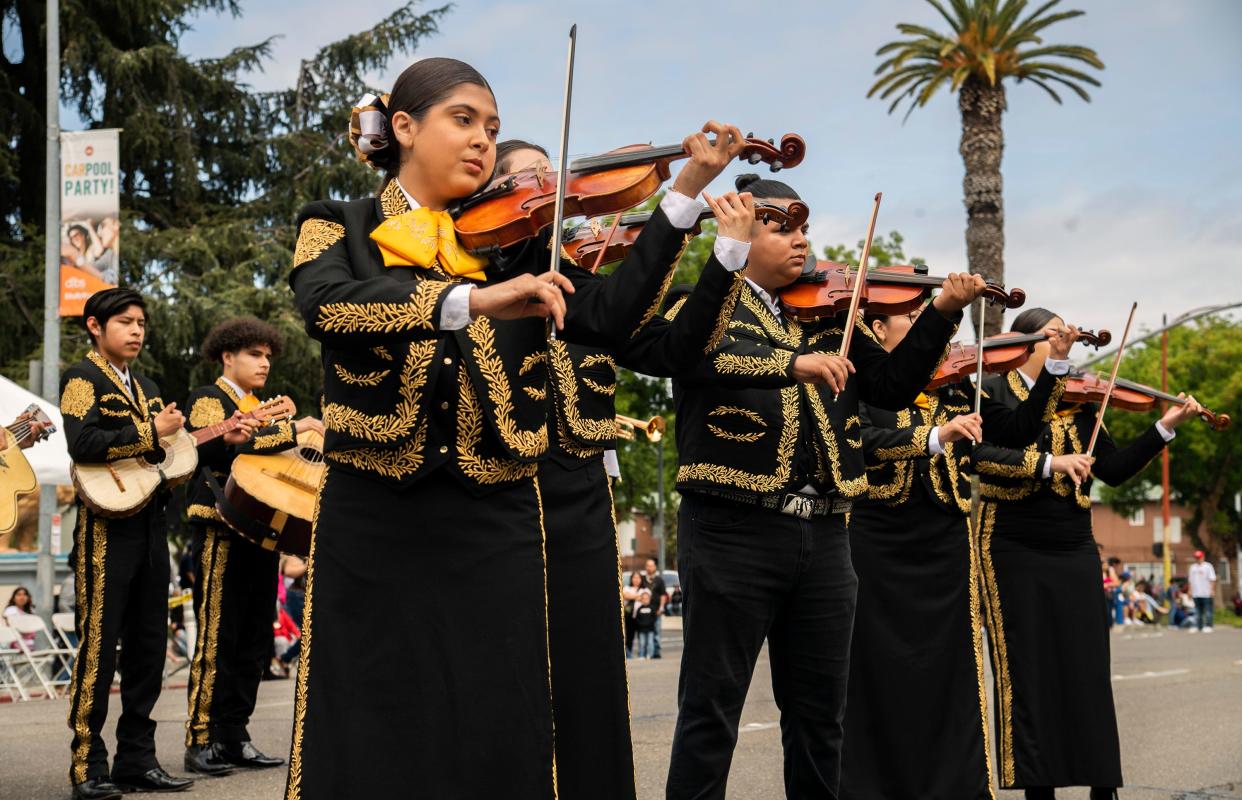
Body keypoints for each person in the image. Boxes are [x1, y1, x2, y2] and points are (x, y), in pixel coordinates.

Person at [284, 57, 748, 799]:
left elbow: (613, 317)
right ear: (404, 127)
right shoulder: (336, 223)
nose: (482, 142)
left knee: (499, 712)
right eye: (463, 120)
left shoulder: (521, 244)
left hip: (495, 508)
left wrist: (684, 191)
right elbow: (328, 308)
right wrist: (472, 300)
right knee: (369, 705)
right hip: (374, 508)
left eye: (492, 128)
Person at [665, 172, 986, 800]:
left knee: (819, 718)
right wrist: (793, 363)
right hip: (733, 524)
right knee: (712, 710)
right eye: (779, 225)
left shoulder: (832, 317)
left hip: (824, 534)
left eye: (803, 226)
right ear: (740, 226)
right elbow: (692, 354)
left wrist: (943, 310)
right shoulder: (701, 301)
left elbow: (893, 388)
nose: (799, 240)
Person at [490, 138, 754, 799]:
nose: (544, 190)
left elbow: (676, 349)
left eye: (550, 179)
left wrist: (723, 255)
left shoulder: (582, 285)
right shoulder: (470, 268)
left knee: (589, 680)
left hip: (579, 500)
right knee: (504, 681)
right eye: (522, 180)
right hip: (497, 497)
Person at [840, 303, 1078, 800]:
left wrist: (1054, 366)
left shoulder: (951, 386)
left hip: (944, 543)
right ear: (878, 328)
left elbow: (1013, 435)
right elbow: (855, 441)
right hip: (878, 542)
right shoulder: (853, 376)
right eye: (913, 316)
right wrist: (931, 436)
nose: (932, 326)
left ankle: (954, 787)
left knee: (949, 674)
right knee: (876, 673)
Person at [973, 306, 1204, 799]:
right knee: (1027, 667)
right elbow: (1002, 451)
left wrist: (1163, 428)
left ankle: (1103, 785)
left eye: (1066, 335)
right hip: (1013, 542)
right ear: (1024, 342)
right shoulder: (991, 391)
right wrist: (1054, 378)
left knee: (1087, 667)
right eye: (1054, 335)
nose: (1066, 341)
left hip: (1074, 542)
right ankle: (1039, 787)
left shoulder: (1081, 403)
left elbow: (1113, 470)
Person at [59, 287, 210, 799]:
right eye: (125, 321)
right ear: (95, 327)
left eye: (142, 321)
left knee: (148, 649)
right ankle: (88, 766)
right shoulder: (81, 378)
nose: (137, 330)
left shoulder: (146, 385)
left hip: (149, 530)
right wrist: (151, 431)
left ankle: (137, 761)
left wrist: (180, 446)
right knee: (99, 648)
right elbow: (81, 444)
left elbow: (157, 463)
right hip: (104, 533)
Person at [182, 317, 321, 775]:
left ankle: (234, 735)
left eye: (267, 356)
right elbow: (214, 447)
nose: (264, 363)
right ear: (228, 356)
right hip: (220, 523)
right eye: (254, 355)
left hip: (262, 529)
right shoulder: (208, 398)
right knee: (218, 634)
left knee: (255, 638)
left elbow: (272, 458)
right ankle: (200, 739)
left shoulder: (263, 406)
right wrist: (296, 428)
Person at [642, 557, 668, 658]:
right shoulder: (642, 579)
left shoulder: (659, 580)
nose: (649, 567)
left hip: (656, 610)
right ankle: (645, 652)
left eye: (651, 565)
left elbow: (663, 595)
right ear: (645, 567)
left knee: (656, 632)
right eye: (648, 566)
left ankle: (656, 653)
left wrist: (661, 608)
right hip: (644, 612)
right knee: (646, 633)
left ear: (655, 567)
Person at [1187, 550, 1216, 633]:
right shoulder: (1193, 567)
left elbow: (1212, 579)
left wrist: (1212, 590)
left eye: (1199, 557)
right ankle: (1199, 626)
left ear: (1203, 557)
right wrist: (1190, 591)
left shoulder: (1208, 566)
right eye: (1196, 558)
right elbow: (1191, 581)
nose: (1197, 559)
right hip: (1196, 593)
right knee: (1197, 611)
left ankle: (1209, 625)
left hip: (1206, 593)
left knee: (1208, 610)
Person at [623, 571, 647, 658]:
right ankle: (628, 655)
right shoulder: (626, 588)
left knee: (642, 637)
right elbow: (625, 595)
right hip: (629, 617)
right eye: (634, 578)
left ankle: (642, 654)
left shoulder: (645, 589)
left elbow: (646, 598)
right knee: (629, 637)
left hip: (642, 617)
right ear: (631, 579)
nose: (636, 580)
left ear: (641, 579)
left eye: (638, 578)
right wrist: (639, 597)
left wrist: (633, 596)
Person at [633, 589, 657, 659]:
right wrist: (640, 624)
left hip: (650, 629)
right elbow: (637, 619)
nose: (645, 600)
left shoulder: (652, 608)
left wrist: (650, 623)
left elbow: (654, 618)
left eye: (647, 598)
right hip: (641, 629)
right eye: (643, 599)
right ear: (641, 600)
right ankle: (641, 655)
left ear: (649, 599)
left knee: (650, 643)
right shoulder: (639, 609)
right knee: (642, 643)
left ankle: (650, 655)